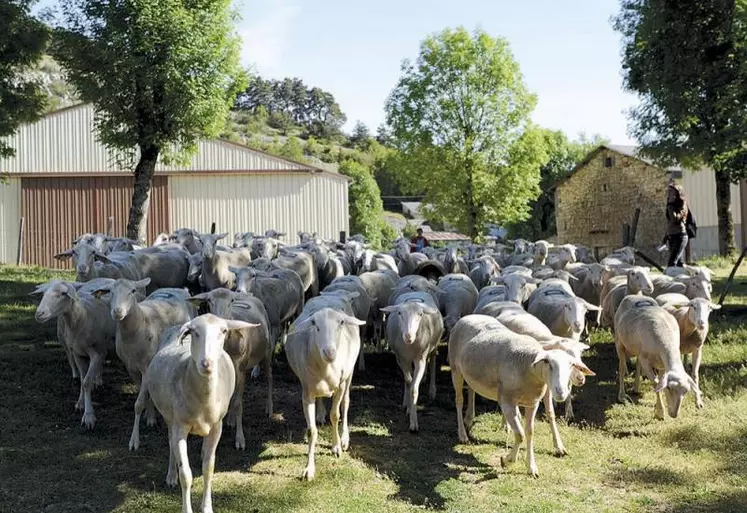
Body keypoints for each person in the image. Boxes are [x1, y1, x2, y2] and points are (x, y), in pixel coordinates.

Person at [662, 183, 690, 267]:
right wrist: (665, 237)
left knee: (672, 263)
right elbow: (669, 222)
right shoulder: (670, 205)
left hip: (680, 236)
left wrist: (670, 205)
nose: (669, 194)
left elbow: (674, 219)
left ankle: (669, 278)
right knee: (679, 263)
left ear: (677, 193)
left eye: (672, 192)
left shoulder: (682, 204)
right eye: (669, 191)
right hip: (672, 236)